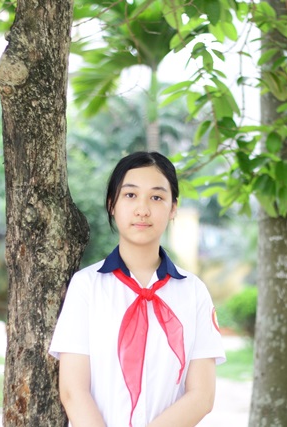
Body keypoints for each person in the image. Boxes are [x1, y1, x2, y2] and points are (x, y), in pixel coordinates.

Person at [49, 151, 226, 427]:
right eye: (130, 195)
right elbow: (73, 391)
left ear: (173, 208)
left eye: (156, 197)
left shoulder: (194, 292)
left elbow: (202, 396)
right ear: (112, 204)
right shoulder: (86, 287)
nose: (142, 209)